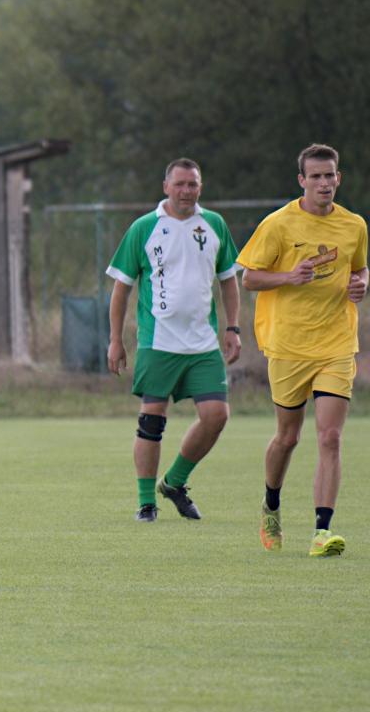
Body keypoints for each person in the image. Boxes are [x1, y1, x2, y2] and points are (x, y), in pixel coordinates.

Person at [237, 143, 367, 556]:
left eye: (330, 175)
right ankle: (271, 504)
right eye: (316, 176)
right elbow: (249, 278)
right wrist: (289, 277)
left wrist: (362, 283)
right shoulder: (278, 224)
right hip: (289, 346)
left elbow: (360, 267)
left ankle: (322, 531)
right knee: (287, 437)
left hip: (336, 344)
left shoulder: (354, 225)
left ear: (338, 178)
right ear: (301, 181)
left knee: (330, 437)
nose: (324, 183)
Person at [106, 158, 242, 522]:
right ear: (166, 186)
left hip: (203, 344)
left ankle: (174, 482)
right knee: (152, 421)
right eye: (179, 184)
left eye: (192, 184)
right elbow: (121, 288)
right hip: (158, 341)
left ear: (200, 187)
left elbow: (229, 280)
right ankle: (145, 503)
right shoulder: (144, 228)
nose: (186, 190)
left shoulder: (214, 224)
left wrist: (233, 328)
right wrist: (115, 340)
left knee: (216, 416)